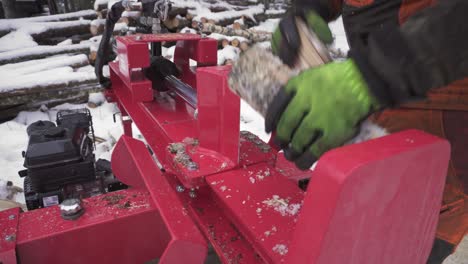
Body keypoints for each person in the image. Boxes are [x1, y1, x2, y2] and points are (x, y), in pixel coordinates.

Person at [268, 0, 467, 262]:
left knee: (395, 247)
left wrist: (372, 74)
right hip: (380, 106)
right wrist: (311, 6)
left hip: (450, 122)